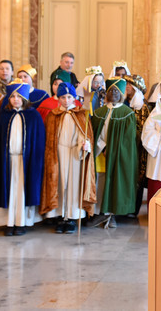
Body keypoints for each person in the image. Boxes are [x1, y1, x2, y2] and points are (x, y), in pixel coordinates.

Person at [0, 80, 45, 236]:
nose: (16, 99)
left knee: (22, 192)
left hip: (26, 162)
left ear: (25, 98)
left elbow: (39, 142)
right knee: (8, 190)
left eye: (19, 96)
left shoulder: (34, 116)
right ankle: (8, 223)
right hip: (7, 161)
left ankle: (21, 222)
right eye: (12, 96)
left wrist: (36, 161)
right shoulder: (2, 116)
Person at [40, 82, 96, 234]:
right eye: (63, 97)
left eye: (69, 97)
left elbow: (86, 134)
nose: (66, 100)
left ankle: (72, 216)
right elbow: (49, 136)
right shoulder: (53, 115)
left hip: (75, 155)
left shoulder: (81, 114)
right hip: (58, 153)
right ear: (58, 98)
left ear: (74, 98)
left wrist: (84, 144)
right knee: (60, 184)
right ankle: (60, 215)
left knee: (73, 185)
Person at [92, 78, 137, 228]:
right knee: (100, 182)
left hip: (117, 155)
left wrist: (113, 150)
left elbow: (128, 140)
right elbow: (95, 133)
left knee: (114, 182)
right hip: (100, 153)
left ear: (122, 94)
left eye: (117, 91)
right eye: (111, 90)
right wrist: (103, 148)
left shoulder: (127, 113)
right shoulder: (99, 112)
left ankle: (112, 214)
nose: (113, 94)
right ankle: (98, 212)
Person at [124, 74, 150, 216]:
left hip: (138, 147)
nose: (127, 87)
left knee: (137, 177)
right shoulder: (124, 102)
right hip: (126, 146)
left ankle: (134, 209)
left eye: (129, 85)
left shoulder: (143, 106)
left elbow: (144, 128)